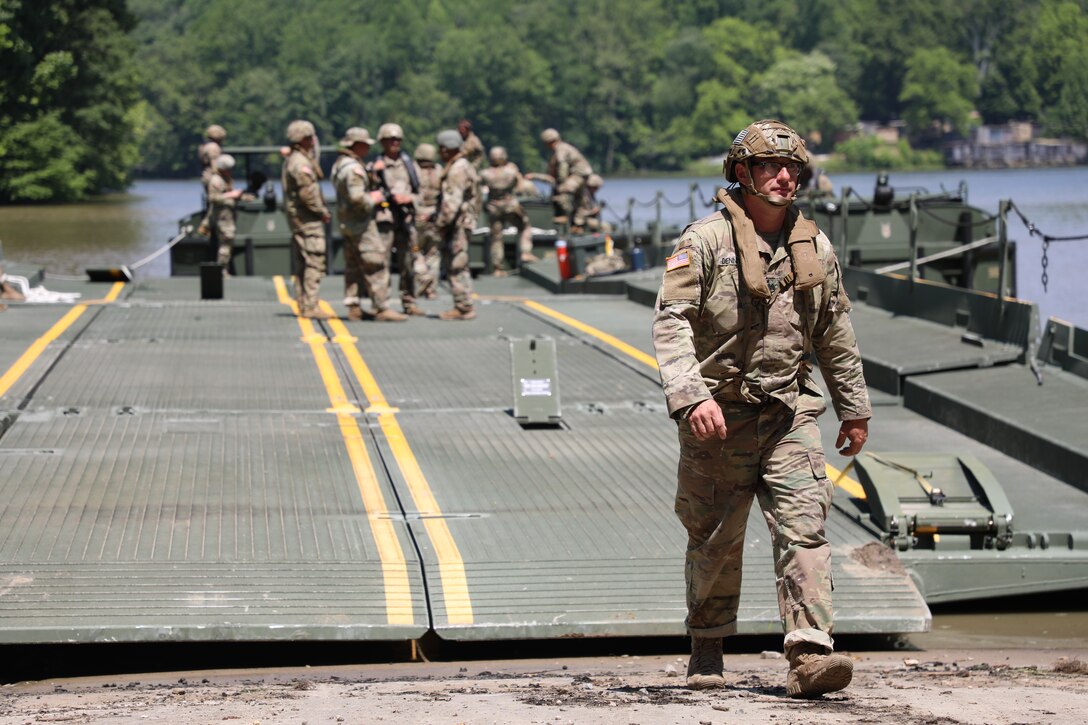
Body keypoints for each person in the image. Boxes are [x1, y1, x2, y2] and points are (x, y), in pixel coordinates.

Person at [651, 119, 871, 697]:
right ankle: (707, 647)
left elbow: (834, 331)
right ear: (741, 174)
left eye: (793, 168)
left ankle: (808, 653)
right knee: (715, 538)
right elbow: (671, 323)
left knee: (805, 528)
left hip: (788, 414)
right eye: (771, 167)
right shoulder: (702, 241)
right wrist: (690, 394)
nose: (784, 177)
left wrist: (853, 407)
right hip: (718, 417)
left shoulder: (815, 247)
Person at [331, 127, 407, 322]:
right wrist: (373, 198)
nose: (367, 148)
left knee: (353, 266)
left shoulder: (340, 165)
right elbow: (357, 198)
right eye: (365, 145)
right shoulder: (354, 169)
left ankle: (353, 306)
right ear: (357, 145)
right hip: (361, 224)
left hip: (346, 223)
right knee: (376, 262)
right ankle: (381, 307)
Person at [368, 123, 423, 317]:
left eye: (398, 140)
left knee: (408, 261)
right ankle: (381, 304)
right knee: (381, 262)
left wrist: (410, 199)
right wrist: (374, 174)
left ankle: (409, 301)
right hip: (385, 219)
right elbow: (366, 192)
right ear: (382, 142)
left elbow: (421, 193)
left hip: (406, 219)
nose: (395, 143)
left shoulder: (410, 165)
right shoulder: (375, 165)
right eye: (391, 140)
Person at [281, 119, 332, 319]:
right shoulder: (301, 163)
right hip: (307, 220)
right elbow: (307, 194)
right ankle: (310, 305)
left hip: (298, 219)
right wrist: (322, 212)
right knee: (314, 260)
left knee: (302, 261)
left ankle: (303, 303)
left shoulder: (293, 159)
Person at [433, 129, 479, 320]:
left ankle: (463, 307)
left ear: (446, 149)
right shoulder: (464, 165)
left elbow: (452, 203)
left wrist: (440, 225)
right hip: (464, 221)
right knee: (460, 263)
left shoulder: (456, 169)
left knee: (456, 263)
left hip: (457, 223)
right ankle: (464, 304)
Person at [480, 146, 536, 275]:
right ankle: (526, 252)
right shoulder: (511, 170)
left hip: (494, 207)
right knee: (524, 227)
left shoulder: (485, 174)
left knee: (496, 238)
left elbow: (478, 189)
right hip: (510, 205)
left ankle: (497, 268)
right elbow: (521, 187)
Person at [527, 128, 592, 231]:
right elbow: (553, 176)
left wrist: (562, 182)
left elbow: (563, 166)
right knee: (579, 199)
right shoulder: (564, 148)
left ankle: (564, 219)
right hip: (582, 174)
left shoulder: (560, 149)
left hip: (577, 174)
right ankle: (577, 224)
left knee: (562, 191)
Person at [412, 142, 444, 300]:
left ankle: (423, 276)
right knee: (433, 254)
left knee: (414, 250)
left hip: (417, 217)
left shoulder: (412, 170)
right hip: (435, 217)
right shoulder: (440, 171)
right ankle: (431, 290)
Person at [206, 153, 242, 273]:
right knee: (225, 243)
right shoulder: (216, 180)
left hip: (228, 216)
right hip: (222, 217)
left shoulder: (226, 179)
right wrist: (230, 195)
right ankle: (222, 271)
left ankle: (223, 270)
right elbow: (212, 198)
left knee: (227, 243)